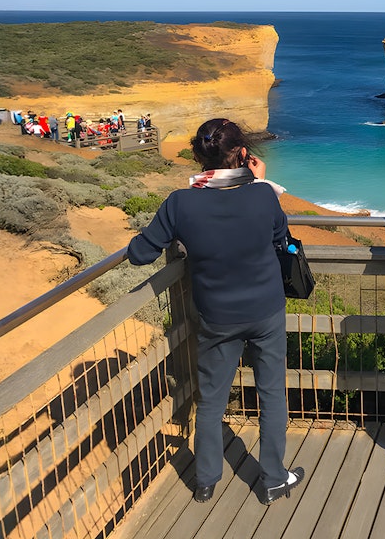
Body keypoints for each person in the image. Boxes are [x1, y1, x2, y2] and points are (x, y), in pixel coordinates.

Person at [126, 118, 303, 505]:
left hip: (216, 316)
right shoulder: (261, 195)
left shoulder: (180, 202)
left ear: (197, 156)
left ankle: (205, 479)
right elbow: (280, 238)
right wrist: (258, 182)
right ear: (242, 154)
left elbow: (140, 254)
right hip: (265, 310)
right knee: (272, 394)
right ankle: (274, 478)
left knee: (211, 398)